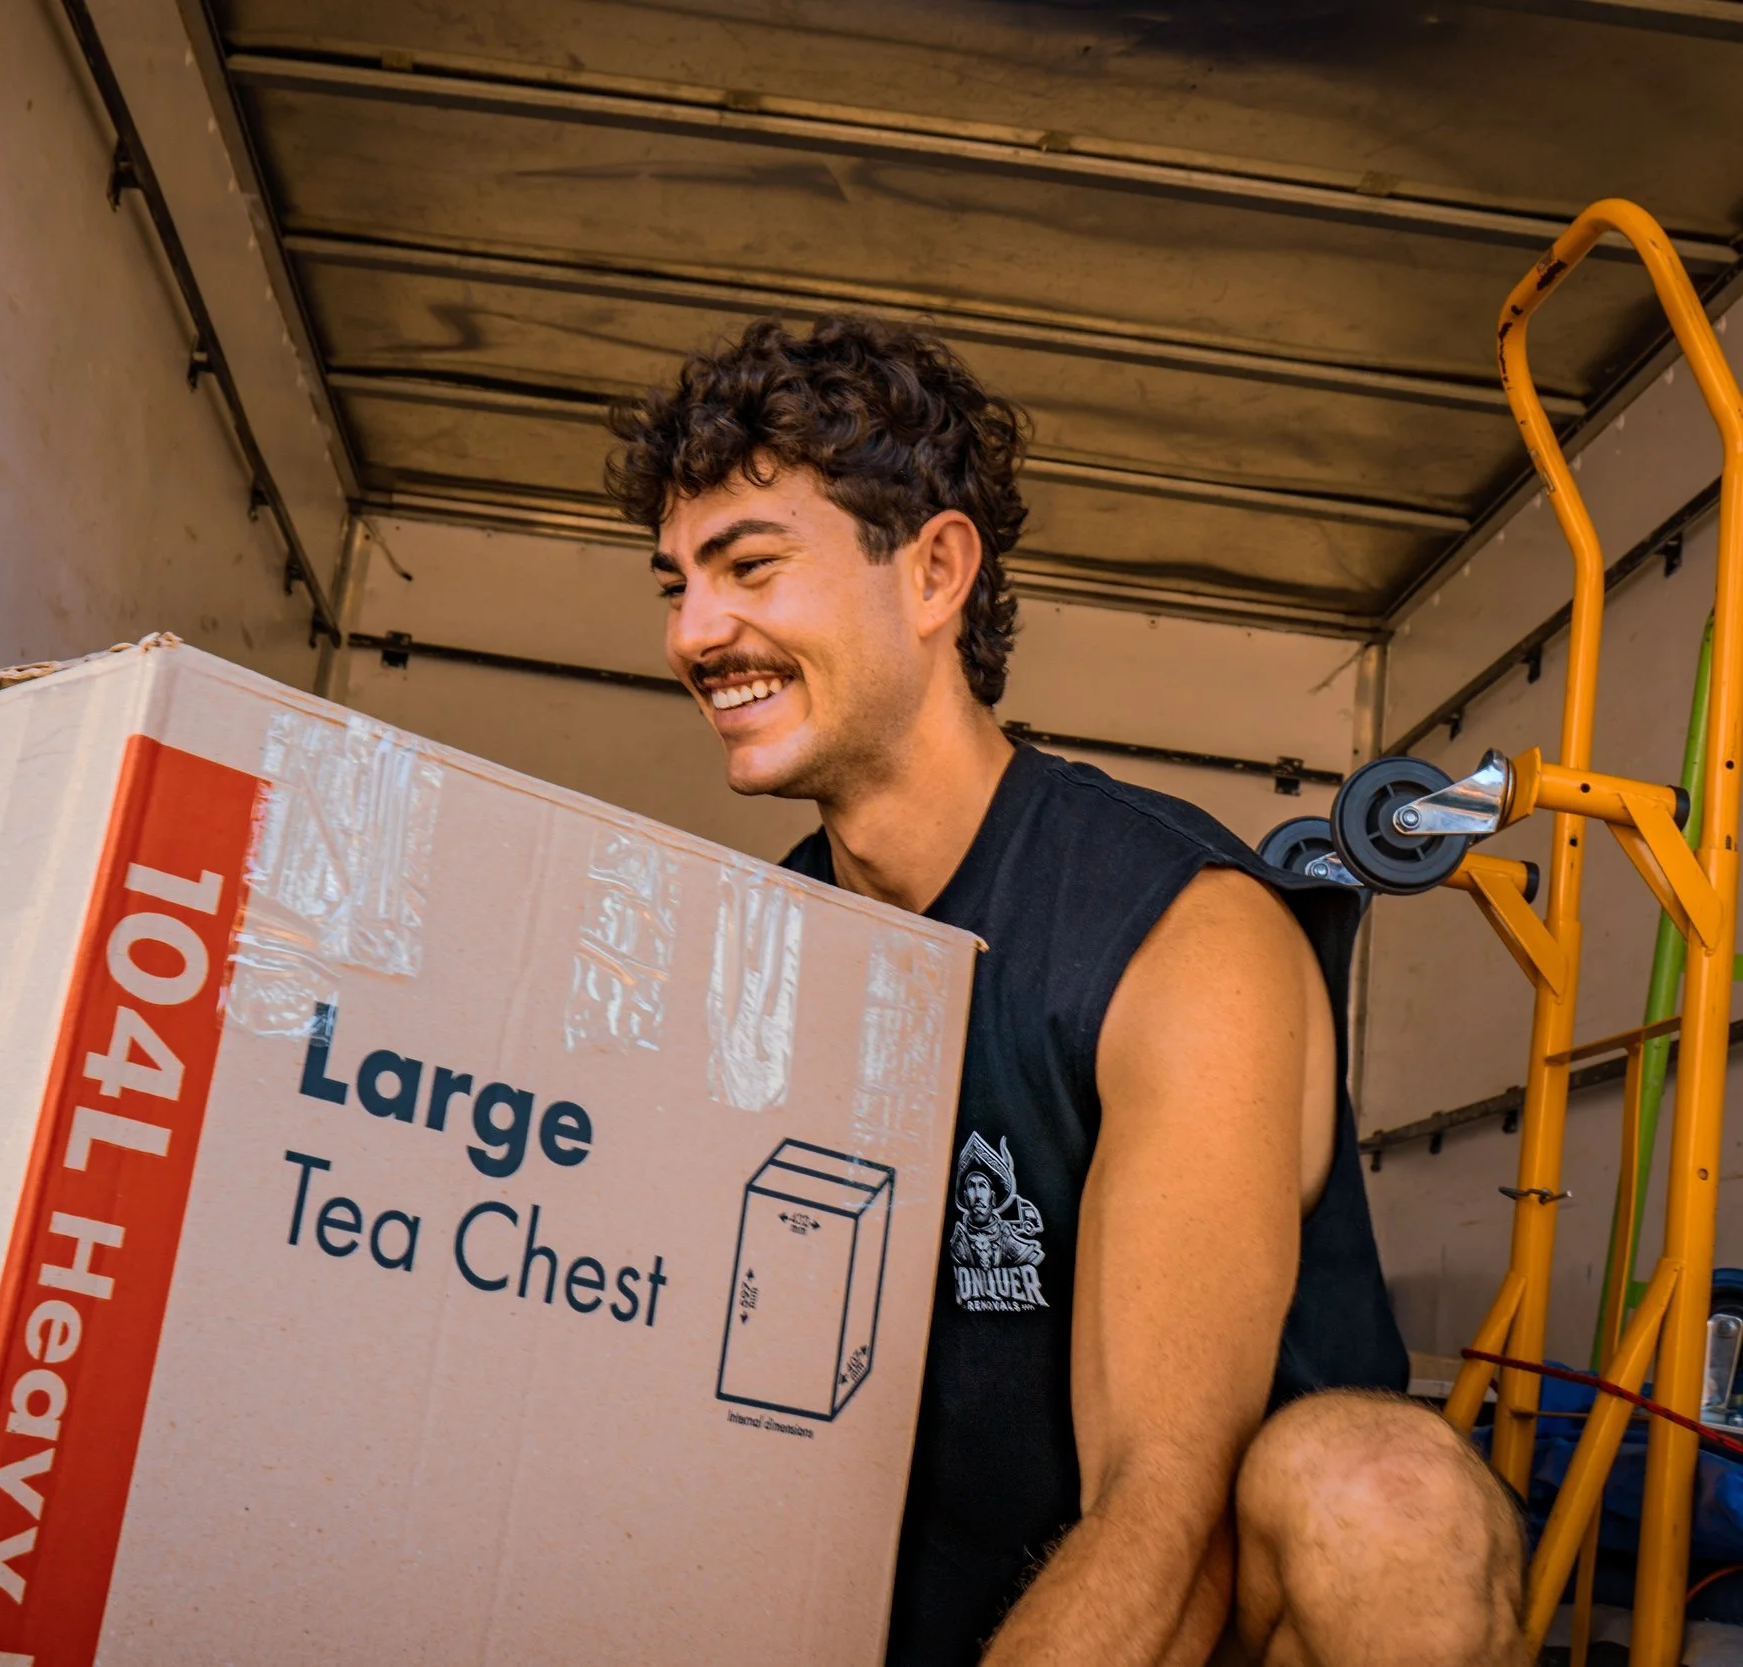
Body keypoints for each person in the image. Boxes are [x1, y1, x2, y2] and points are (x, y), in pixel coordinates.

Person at [607, 316, 1525, 1666]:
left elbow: (1170, 1516)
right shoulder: (764, 956)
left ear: (933, 572)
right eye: (675, 585)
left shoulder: (1174, 930)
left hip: (1162, 1630)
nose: (696, 632)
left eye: (749, 569)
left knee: (1381, 1488)